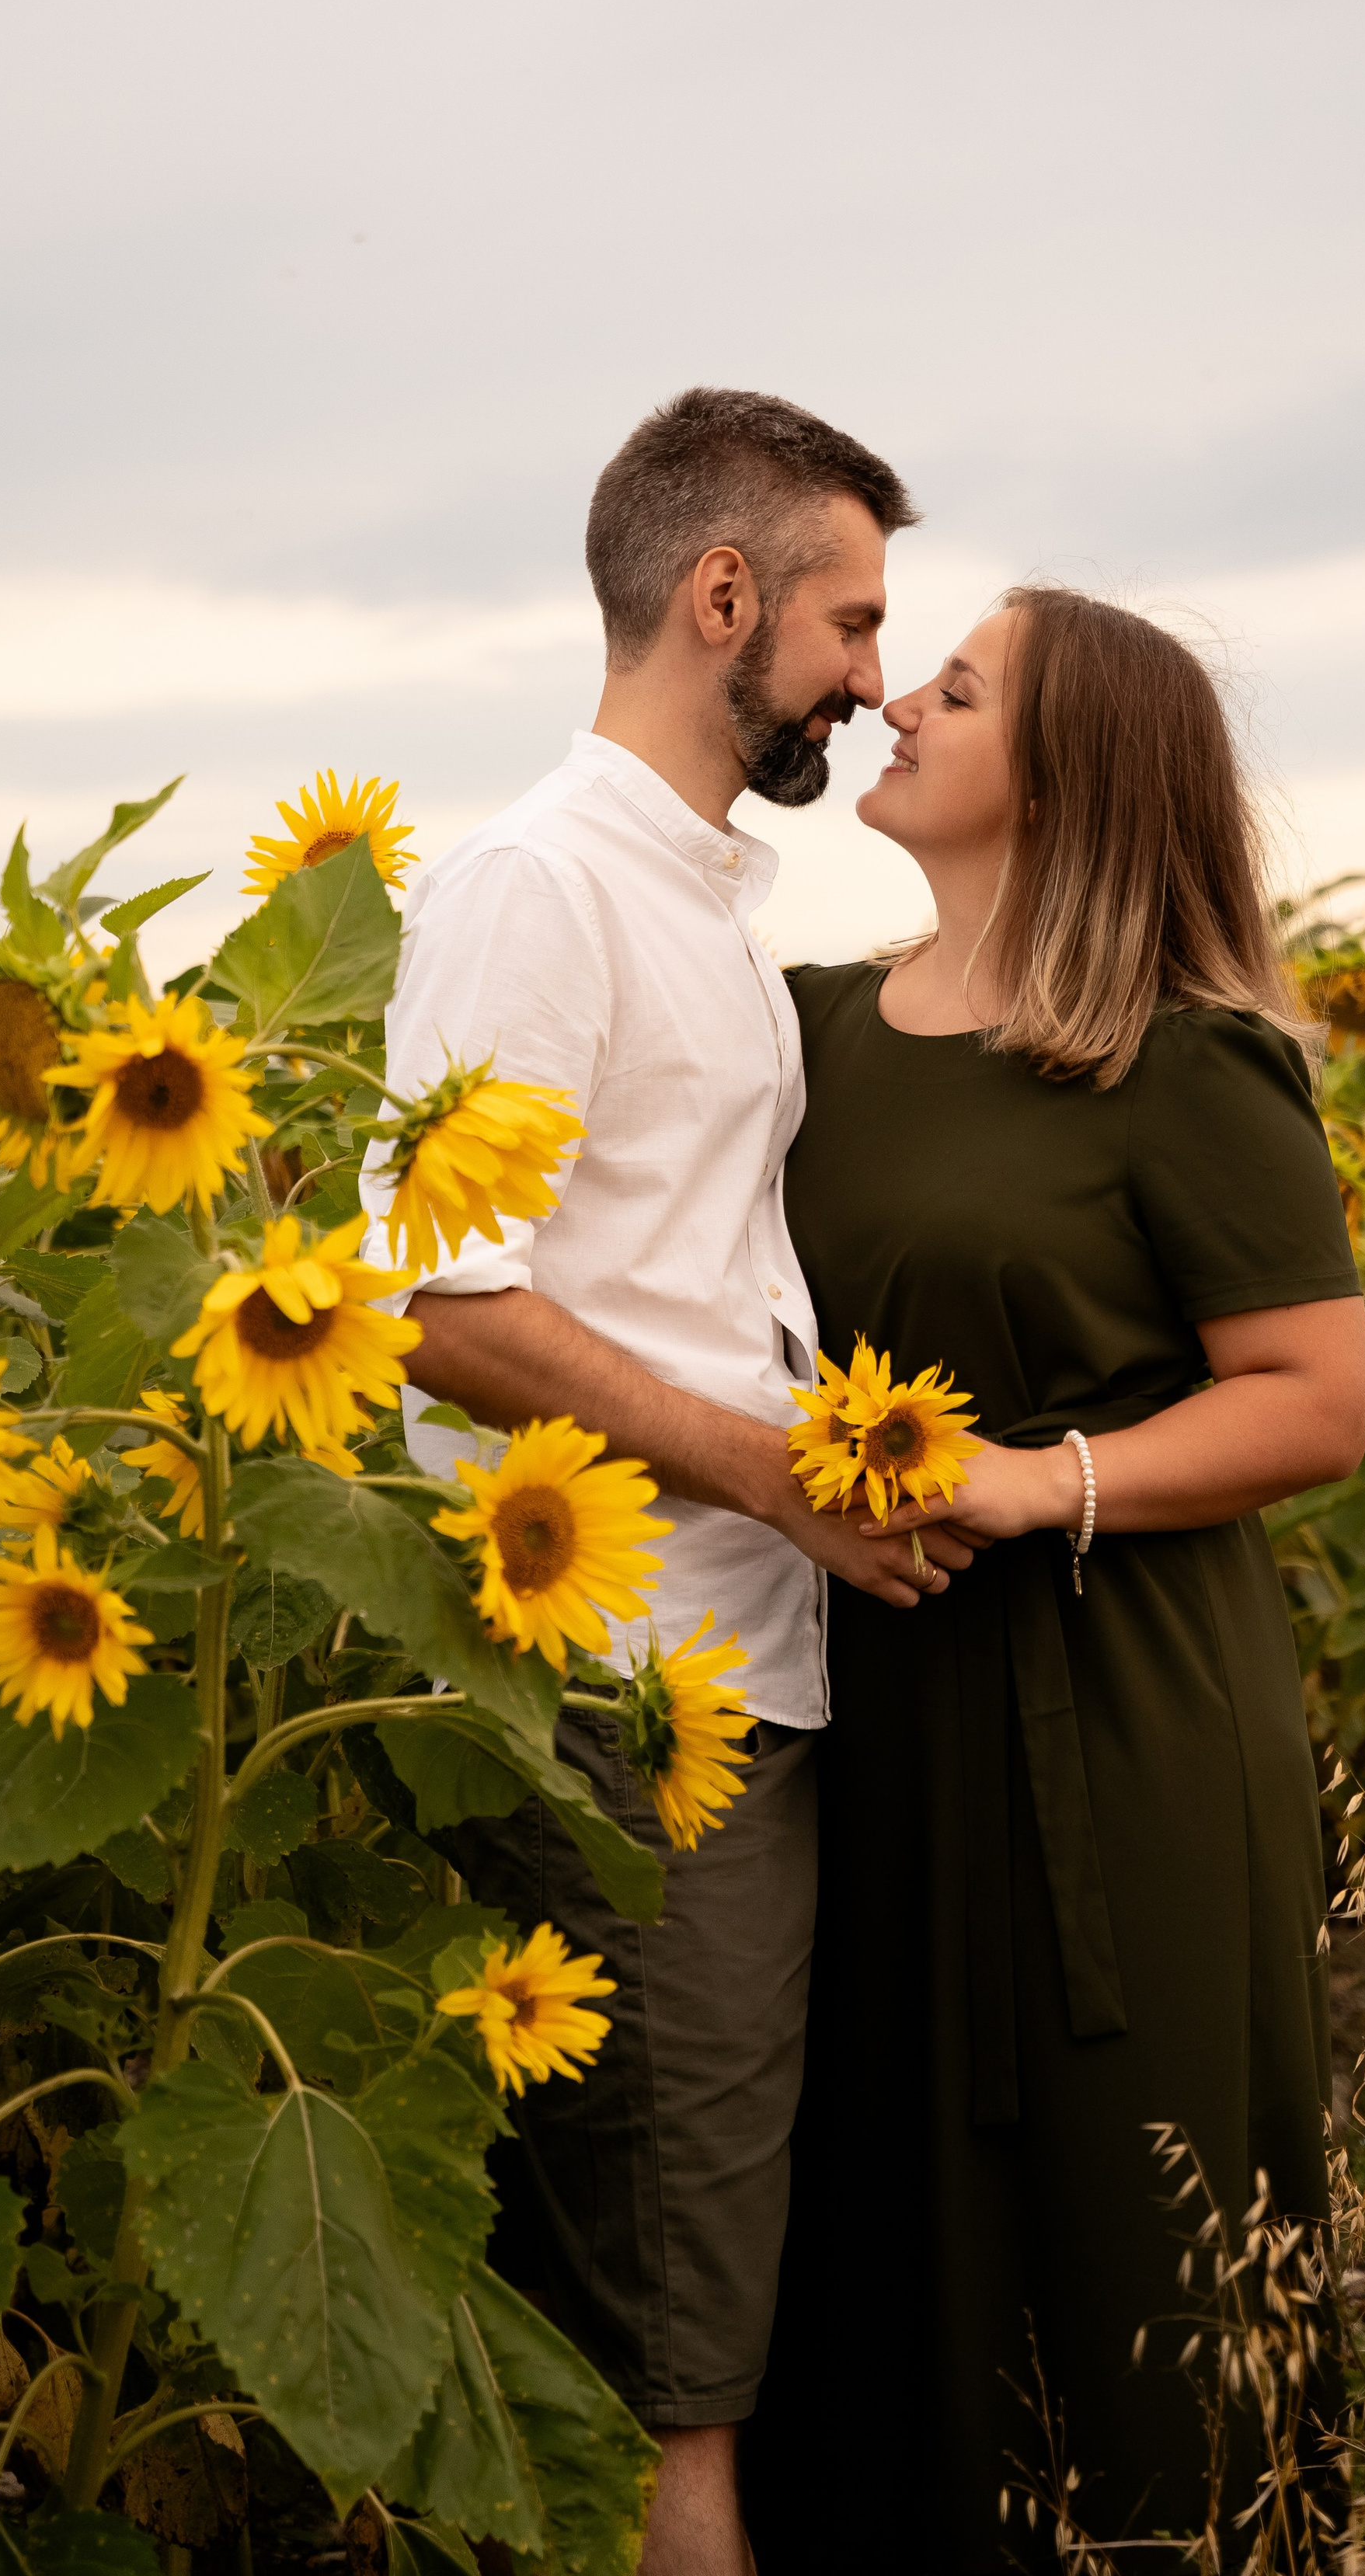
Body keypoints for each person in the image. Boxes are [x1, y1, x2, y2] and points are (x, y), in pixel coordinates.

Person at [366, 387, 971, 2576]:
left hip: (735, 1680)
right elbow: (441, 1302)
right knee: (671, 2389)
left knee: (702, 2322)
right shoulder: (543, 886)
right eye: (853, 619)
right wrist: (778, 1480)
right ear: (722, 597)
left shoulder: (700, 896)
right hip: (630, 1690)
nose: (874, 679)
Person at [744, 587, 1365, 2572]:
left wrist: (1037, 1485)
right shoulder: (815, 1028)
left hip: (1111, 1718)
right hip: (857, 1705)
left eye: (955, 686)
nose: (894, 703)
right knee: (875, 2231)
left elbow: (1314, 1400)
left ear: (1076, 769)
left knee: (1126, 2225)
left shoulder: (1175, 1063)